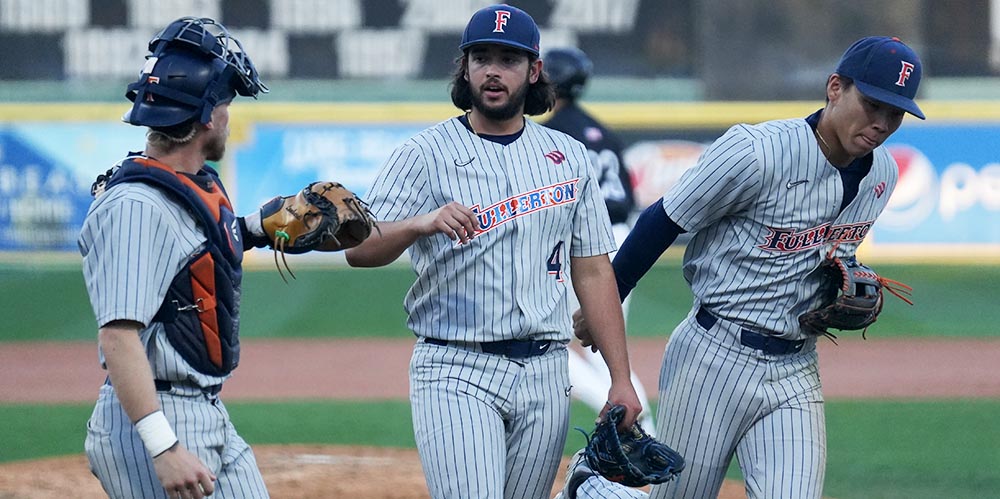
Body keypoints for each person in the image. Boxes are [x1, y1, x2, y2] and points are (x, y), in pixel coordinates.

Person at [563, 36, 924, 499]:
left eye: (895, 114)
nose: (881, 123)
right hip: (713, 357)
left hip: (796, 366)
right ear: (835, 87)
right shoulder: (756, 151)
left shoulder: (883, 176)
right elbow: (662, 220)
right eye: (872, 104)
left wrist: (842, 281)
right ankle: (592, 489)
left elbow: (831, 253)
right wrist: (606, 302)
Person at [344, 4, 642, 498]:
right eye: (481, 57)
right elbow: (361, 250)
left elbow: (592, 271)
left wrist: (621, 379)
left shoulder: (567, 156)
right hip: (455, 366)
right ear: (465, 68)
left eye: (509, 58)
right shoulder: (424, 153)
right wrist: (421, 223)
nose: (494, 70)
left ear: (534, 71)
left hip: (546, 373)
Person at [79, 17, 272, 499]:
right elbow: (119, 335)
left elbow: (190, 252)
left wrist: (256, 229)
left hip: (204, 410)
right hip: (155, 418)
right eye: (226, 103)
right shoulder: (135, 206)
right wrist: (163, 447)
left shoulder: (189, 188)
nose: (229, 115)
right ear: (208, 116)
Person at [542, 47, 655, 431]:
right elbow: (630, 198)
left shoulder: (550, 134)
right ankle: (642, 430)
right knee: (608, 351)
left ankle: (624, 420)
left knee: (550, 342)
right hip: (620, 241)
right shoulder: (604, 133)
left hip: (586, 247)